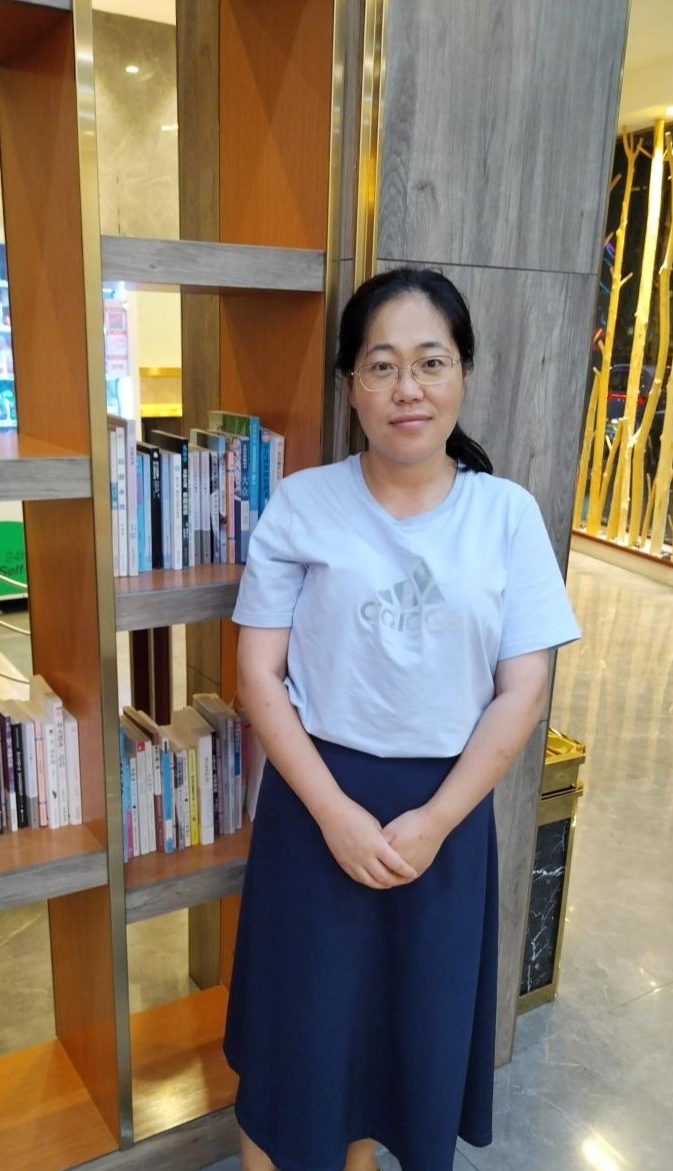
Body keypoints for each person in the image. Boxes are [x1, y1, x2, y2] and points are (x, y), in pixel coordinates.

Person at [224, 267, 580, 1171]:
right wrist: (334, 813)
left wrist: (435, 820)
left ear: (463, 374)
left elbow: (523, 689)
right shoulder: (304, 501)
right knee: (294, 1052)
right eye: (381, 365)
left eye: (431, 361)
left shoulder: (506, 514)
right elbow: (258, 673)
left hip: (443, 825)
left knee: (398, 1053)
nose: (407, 388)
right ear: (351, 385)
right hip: (315, 811)